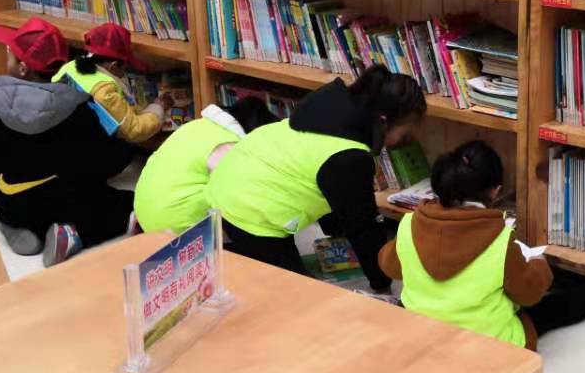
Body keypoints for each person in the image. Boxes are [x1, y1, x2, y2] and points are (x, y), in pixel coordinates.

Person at [204, 65, 426, 292]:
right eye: (404, 133)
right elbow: (364, 230)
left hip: (227, 184)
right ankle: (226, 261)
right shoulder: (350, 157)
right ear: (383, 121)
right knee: (301, 296)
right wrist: (382, 284)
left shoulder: (332, 109)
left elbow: (328, 187)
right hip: (249, 211)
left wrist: (336, 231)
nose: (404, 142)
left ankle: (233, 259)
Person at [0, 17, 136, 267]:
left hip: (12, 202)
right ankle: (73, 234)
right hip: (65, 204)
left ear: (23, 68)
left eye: (10, 55)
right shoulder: (77, 108)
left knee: (2, 178)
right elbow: (105, 162)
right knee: (126, 203)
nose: (7, 59)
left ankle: (16, 227)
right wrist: (127, 145)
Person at [378, 141, 551, 347]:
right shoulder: (500, 240)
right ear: (495, 191)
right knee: (548, 308)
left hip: (420, 336)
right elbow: (529, 293)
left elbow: (389, 266)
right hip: (485, 347)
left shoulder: (409, 224)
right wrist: (540, 263)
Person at [132, 97, 279, 235]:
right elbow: (243, 199)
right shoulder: (229, 147)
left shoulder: (198, 125)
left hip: (144, 212)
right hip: (175, 229)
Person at [52, 23, 169, 146]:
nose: (125, 72)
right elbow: (134, 130)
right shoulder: (105, 93)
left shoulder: (68, 67)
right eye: (125, 67)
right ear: (113, 66)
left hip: (65, 133)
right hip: (91, 145)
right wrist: (158, 108)